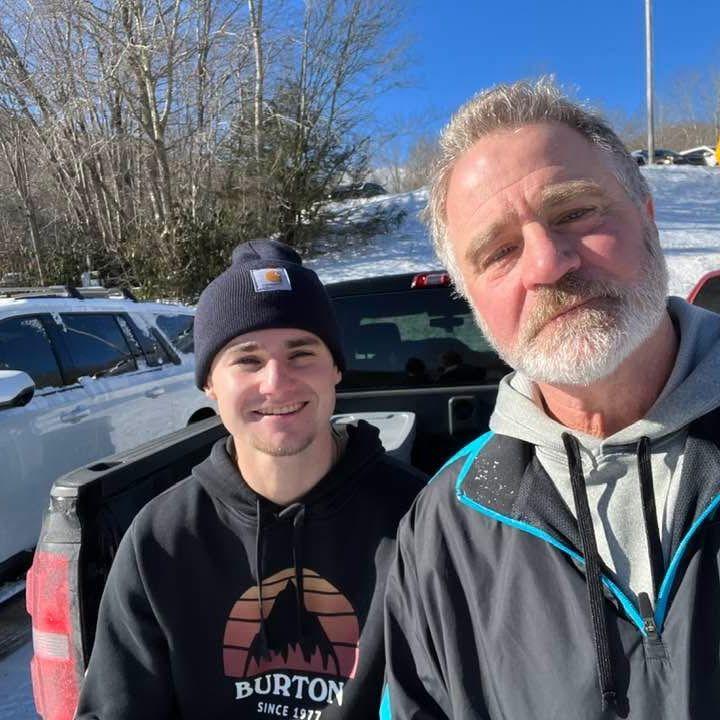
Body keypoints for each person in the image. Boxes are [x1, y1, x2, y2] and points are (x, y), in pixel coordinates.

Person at [383, 79, 720, 720]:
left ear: (647, 216)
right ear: (471, 298)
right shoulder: (445, 527)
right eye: (499, 251)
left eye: (573, 213)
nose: (547, 263)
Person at [76, 240, 426, 719]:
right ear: (209, 383)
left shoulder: (418, 522)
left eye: (301, 353)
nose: (276, 382)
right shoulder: (162, 538)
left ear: (336, 369)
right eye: (247, 359)